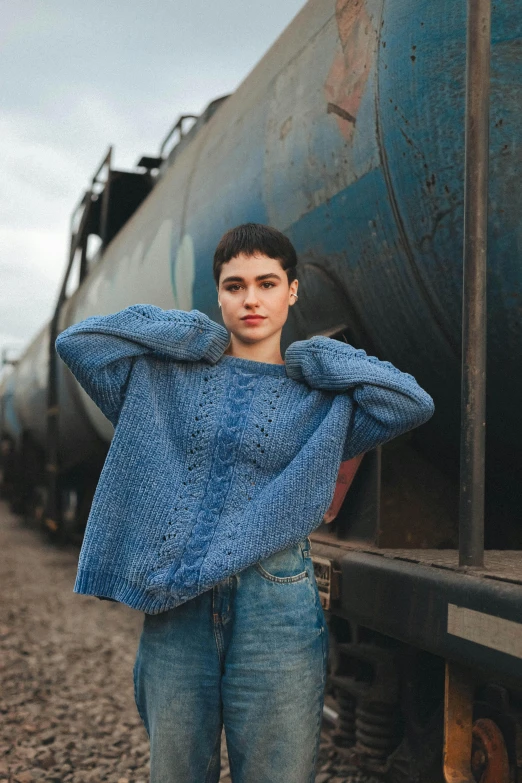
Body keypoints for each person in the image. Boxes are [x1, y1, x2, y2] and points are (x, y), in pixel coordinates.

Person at [54, 223, 435, 783]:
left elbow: (410, 403)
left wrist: (319, 358)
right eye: (234, 286)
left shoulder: (320, 400)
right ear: (219, 295)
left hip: (276, 603)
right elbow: (78, 343)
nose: (251, 299)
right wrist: (189, 333)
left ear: (292, 290)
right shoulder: (164, 381)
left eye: (267, 283)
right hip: (178, 600)